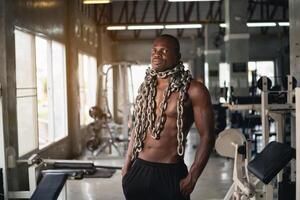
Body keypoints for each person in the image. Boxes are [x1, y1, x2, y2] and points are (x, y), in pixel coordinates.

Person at [122, 34, 215, 200]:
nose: (156, 55)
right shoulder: (146, 87)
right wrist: (126, 164)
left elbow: (207, 136)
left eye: (163, 51)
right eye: (154, 51)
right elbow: (138, 127)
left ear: (178, 57)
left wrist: (192, 177)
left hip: (170, 173)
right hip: (139, 169)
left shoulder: (194, 90)